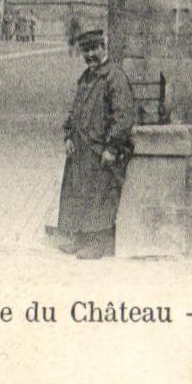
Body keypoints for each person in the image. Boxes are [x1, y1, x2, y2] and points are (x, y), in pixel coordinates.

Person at [52, 27, 135, 259]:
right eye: (85, 51)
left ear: (103, 47)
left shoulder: (114, 77)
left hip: (100, 150)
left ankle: (98, 244)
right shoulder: (87, 77)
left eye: (93, 49)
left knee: (100, 196)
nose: (89, 55)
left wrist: (112, 148)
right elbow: (75, 110)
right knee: (79, 193)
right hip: (81, 148)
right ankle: (80, 238)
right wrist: (68, 136)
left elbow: (123, 116)